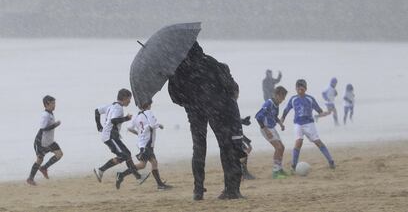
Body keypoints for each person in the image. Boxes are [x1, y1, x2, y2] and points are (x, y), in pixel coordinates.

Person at [168, 42, 246, 200]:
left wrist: (189, 100)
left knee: (198, 148)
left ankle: (198, 190)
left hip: (194, 112)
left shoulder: (178, 70)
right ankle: (232, 189)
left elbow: (175, 97)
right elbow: (230, 86)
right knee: (226, 146)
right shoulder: (209, 62)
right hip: (217, 108)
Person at [115, 100, 172, 190]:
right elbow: (152, 125)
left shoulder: (136, 115)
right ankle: (160, 185)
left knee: (144, 164)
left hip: (142, 143)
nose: (151, 106)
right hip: (147, 144)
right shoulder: (148, 112)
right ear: (148, 105)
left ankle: (121, 175)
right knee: (152, 163)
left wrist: (138, 133)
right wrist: (158, 125)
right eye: (150, 104)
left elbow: (129, 128)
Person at [281, 79, 336, 171]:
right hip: (298, 124)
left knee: (318, 142)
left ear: (306, 88)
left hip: (309, 124)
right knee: (298, 142)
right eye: (298, 86)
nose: (300, 88)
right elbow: (286, 110)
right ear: (295, 88)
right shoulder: (293, 99)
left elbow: (319, 111)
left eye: (302, 86)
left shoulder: (310, 99)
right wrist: (282, 119)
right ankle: (293, 166)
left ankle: (331, 161)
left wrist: (325, 113)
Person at [93, 89, 142, 183]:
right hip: (109, 136)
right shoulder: (118, 108)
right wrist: (126, 118)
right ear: (124, 98)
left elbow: (96, 111)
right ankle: (101, 170)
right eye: (129, 99)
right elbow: (113, 120)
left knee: (127, 154)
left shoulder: (110, 105)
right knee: (124, 155)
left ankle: (138, 177)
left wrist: (98, 126)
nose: (130, 101)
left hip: (112, 136)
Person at [27, 95, 63, 185]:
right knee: (39, 159)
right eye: (53, 103)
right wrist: (55, 125)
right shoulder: (45, 115)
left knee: (59, 154)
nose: (55, 105)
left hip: (49, 141)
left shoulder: (50, 113)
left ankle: (44, 168)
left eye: (55, 103)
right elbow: (43, 128)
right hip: (41, 141)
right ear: (47, 104)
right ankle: (30, 179)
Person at [255, 86, 288, 179]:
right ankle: (275, 171)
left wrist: (280, 124)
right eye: (282, 97)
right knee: (278, 147)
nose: (283, 99)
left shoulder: (276, 104)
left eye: (284, 97)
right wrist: (266, 130)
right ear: (276, 95)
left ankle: (280, 169)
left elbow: (275, 116)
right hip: (265, 128)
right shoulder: (268, 103)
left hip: (272, 128)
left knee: (282, 147)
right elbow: (258, 117)